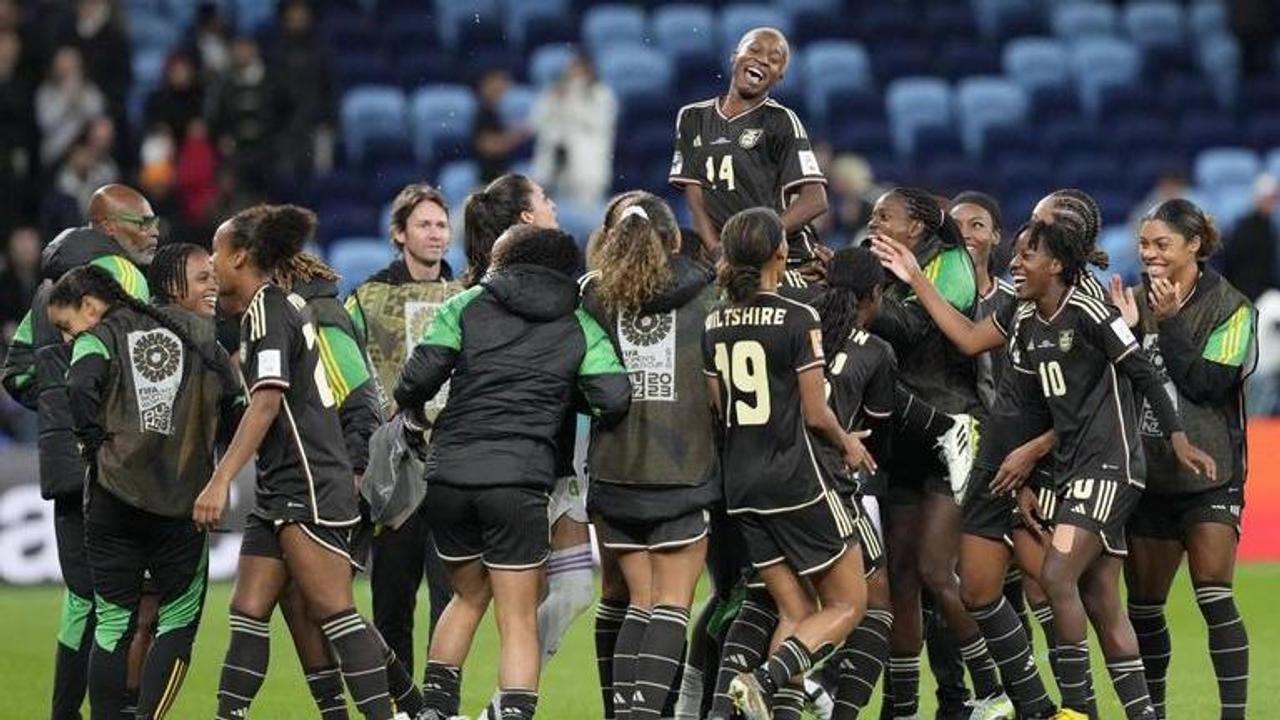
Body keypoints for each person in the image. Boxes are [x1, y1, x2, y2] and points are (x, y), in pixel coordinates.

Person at [873, 209, 1217, 720]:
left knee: (1057, 581)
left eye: (1026, 254)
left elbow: (1141, 373)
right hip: (1052, 467)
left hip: (1107, 465)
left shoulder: (1091, 311)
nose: (1015, 263)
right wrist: (918, 278)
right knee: (1083, 596)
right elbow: (971, 343)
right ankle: (1094, 711)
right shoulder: (1025, 315)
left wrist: (1180, 440)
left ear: (1055, 263)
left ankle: (1076, 710)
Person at [395, 224, 631, 720]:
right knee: (519, 617)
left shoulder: (467, 304)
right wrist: (563, 393)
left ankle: (434, 711)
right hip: (520, 481)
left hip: (449, 476)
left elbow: (414, 381)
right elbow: (614, 397)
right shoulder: (578, 322)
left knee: (466, 595)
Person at [197, 204, 394, 720]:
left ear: (239, 256)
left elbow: (266, 401)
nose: (210, 263)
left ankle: (396, 710)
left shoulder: (268, 308)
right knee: (248, 610)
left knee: (334, 613)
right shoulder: (265, 312)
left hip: (308, 484)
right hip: (281, 486)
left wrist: (220, 480)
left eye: (215, 251)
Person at [703, 207, 871, 720]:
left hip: (742, 484)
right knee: (848, 605)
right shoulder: (800, 317)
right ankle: (762, 679)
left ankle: (778, 711)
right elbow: (817, 411)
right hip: (794, 477)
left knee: (796, 611)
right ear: (781, 252)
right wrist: (848, 444)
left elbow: (718, 404)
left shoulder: (714, 321)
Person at [52, 263, 234, 719]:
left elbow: (77, 384)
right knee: (177, 618)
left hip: (114, 497)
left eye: (64, 324)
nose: (64, 337)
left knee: (113, 624)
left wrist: (92, 441)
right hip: (183, 502)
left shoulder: (101, 335)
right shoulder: (200, 331)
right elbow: (238, 404)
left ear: (90, 305)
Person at [1, 183, 155, 720]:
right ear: (110, 228)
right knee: (118, 607)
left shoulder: (47, 292)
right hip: (115, 461)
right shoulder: (129, 277)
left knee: (81, 601)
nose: (155, 231)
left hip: (65, 466)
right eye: (144, 222)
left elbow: (16, 371)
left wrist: (59, 405)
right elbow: (148, 361)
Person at [860, 187, 998, 719]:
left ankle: (990, 686)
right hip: (901, 436)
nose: (873, 222)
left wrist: (869, 300)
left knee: (939, 571)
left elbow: (916, 327)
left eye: (884, 216)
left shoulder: (953, 266)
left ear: (915, 229)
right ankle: (902, 705)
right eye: (872, 214)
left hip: (951, 435)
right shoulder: (890, 264)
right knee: (902, 575)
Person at [1114, 199, 1255, 720]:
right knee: (1145, 609)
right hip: (1148, 475)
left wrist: (1169, 325)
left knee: (1214, 594)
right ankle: (1153, 712)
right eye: (1144, 244)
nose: (1148, 254)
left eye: (1161, 244)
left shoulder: (1233, 308)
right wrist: (1124, 336)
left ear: (1193, 245)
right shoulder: (1129, 302)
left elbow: (1206, 384)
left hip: (1212, 475)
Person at [580, 192, 719, 719]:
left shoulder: (594, 298)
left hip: (615, 475)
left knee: (638, 599)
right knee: (671, 605)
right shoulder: (707, 297)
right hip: (681, 471)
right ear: (676, 240)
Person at [461, 173, 598, 664]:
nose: (554, 203)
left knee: (574, 591)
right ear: (525, 218)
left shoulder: (493, 294)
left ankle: (502, 706)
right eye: (544, 198)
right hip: (516, 465)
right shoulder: (505, 299)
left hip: (554, 458)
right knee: (482, 602)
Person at [346, 184, 458, 680]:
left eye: (441, 224)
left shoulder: (469, 295)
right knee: (391, 603)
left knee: (450, 600)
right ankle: (400, 706)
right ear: (399, 234)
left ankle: (436, 702)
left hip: (455, 467)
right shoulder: (367, 298)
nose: (435, 234)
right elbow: (344, 377)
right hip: (394, 471)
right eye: (424, 225)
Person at [809, 246, 898, 718]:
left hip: (770, 483)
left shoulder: (795, 329)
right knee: (877, 606)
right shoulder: (876, 352)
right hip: (838, 489)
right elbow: (879, 442)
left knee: (776, 604)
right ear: (876, 295)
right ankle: (799, 678)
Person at [669, 27, 828, 263]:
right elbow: (696, 199)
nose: (763, 60)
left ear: (780, 75)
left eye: (774, 60)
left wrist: (759, 239)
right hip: (722, 257)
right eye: (754, 50)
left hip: (779, 256)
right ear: (735, 55)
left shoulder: (781, 120)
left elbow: (815, 199)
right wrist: (717, 252)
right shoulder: (692, 117)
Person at [530, 51, 616, 206]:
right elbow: (535, 122)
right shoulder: (555, 93)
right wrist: (554, 99)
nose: (575, 75)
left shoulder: (602, 95)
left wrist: (574, 97)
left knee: (585, 211)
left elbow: (598, 123)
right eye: (572, 69)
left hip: (587, 168)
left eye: (579, 69)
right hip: (555, 168)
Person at [1216, 174, 1278, 303]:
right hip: (1248, 293)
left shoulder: (1270, 228)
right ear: (1258, 199)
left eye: (1274, 199)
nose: (1272, 203)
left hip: (1264, 291)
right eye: (1269, 199)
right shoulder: (1244, 229)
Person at [472, 68, 528, 184]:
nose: (501, 88)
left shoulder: (502, 113)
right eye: (497, 84)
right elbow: (489, 146)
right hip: (487, 181)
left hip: (505, 177)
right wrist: (517, 135)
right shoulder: (482, 113)